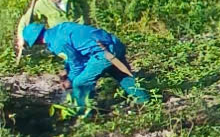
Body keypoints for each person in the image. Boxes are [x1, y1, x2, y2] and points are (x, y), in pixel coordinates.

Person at [22, 21, 150, 116]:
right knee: (122, 75)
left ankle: (84, 115)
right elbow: (76, 55)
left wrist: (70, 80)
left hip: (103, 53)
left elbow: (77, 63)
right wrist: (67, 70)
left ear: (37, 41)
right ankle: (146, 102)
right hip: (113, 44)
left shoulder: (56, 43)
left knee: (80, 82)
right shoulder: (60, 29)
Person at [16, 0, 92, 59]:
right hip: (62, 36)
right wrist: (21, 38)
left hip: (79, 29)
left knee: (88, 51)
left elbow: (83, 2)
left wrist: (86, 17)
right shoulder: (41, 4)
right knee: (71, 58)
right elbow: (25, 20)